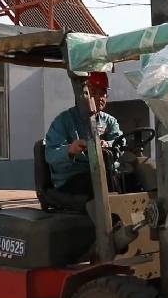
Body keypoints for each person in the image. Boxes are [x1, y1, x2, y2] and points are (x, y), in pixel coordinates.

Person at [44, 72, 123, 208]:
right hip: (72, 177)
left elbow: (120, 142)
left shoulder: (109, 121)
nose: (99, 97)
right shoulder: (63, 121)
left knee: (133, 179)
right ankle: (109, 217)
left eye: (103, 93)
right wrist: (70, 150)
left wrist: (108, 144)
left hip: (105, 172)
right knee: (99, 182)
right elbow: (50, 154)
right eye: (93, 92)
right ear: (82, 95)